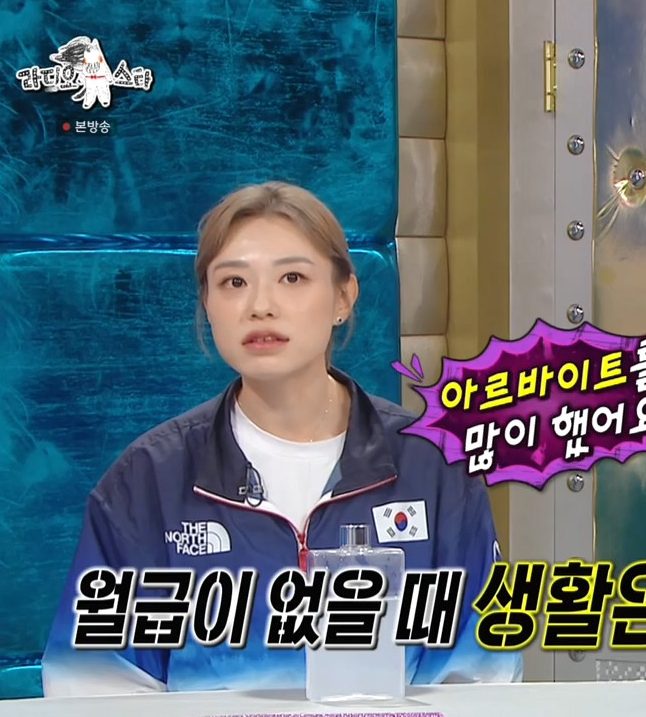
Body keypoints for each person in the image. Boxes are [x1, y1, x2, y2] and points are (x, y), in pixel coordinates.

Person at [41, 181, 522, 695]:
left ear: (343, 297)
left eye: (292, 277)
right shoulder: (148, 480)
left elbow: (483, 678)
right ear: (207, 304)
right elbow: (93, 686)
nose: (260, 306)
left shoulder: (434, 466)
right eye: (233, 282)